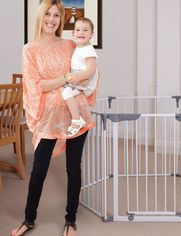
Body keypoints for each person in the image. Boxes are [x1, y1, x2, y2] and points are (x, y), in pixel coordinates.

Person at [11, 0, 96, 236]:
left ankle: (71, 220)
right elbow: (36, 85)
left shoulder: (70, 44)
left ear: (61, 19)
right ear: (40, 16)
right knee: (39, 170)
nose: (51, 19)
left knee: (73, 169)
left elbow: (90, 68)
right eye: (47, 14)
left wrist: (81, 79)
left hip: (75, 116)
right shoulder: (30, 49)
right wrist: (69, 78)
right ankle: (28, 219)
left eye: (56, 15)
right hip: (49, 120)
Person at [62, 17, 98, 137]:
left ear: (91, 34)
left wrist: (78, 77)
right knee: (64, 90)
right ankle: (76, 119)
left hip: (85, 83)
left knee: (66, 93)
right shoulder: (79, 47)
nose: (81, 32)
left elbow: (92, 69)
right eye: (77, 30)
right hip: (78, 81)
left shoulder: (88, 50)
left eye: (85, 30)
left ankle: (77, 120)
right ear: (73, 33)